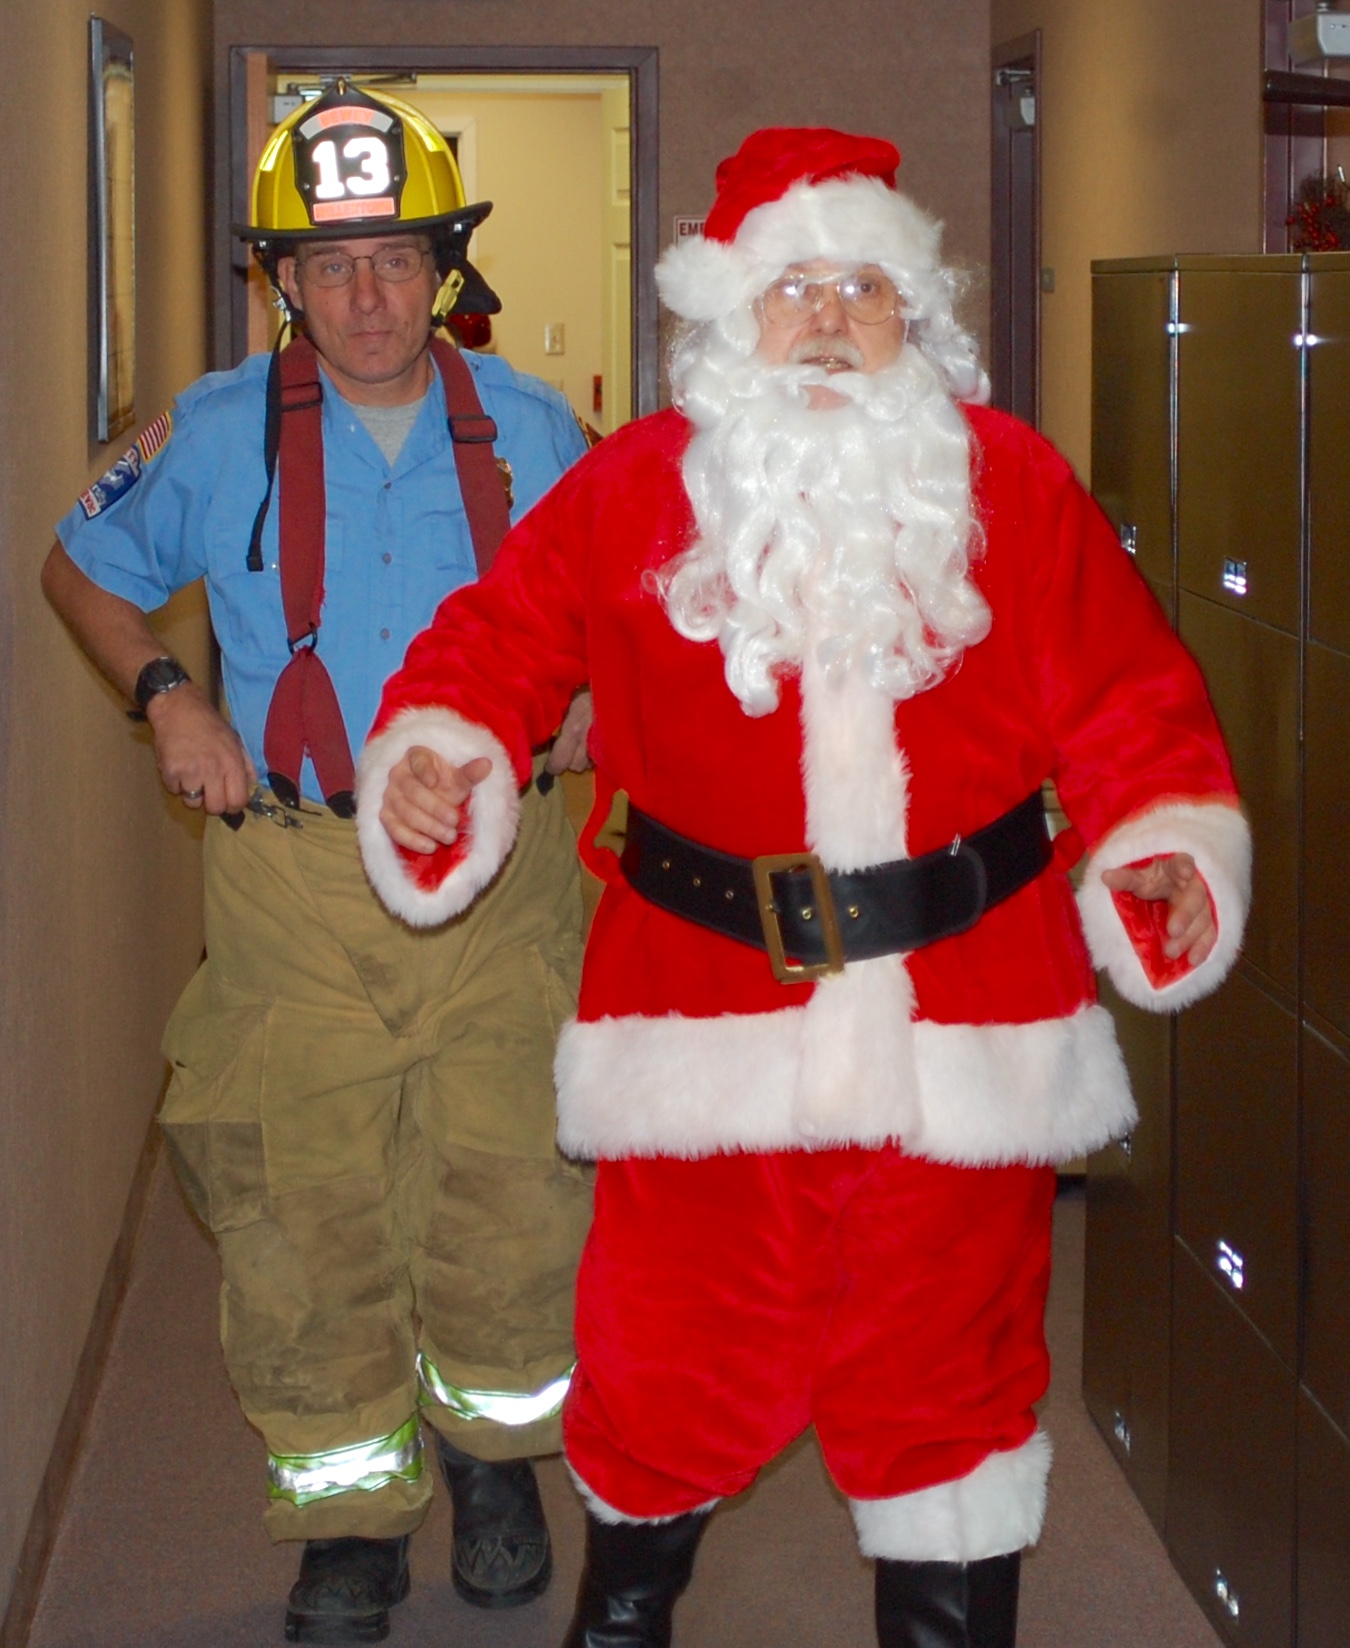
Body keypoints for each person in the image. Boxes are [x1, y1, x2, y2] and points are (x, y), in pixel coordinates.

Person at [357, 127, 1250, 1648]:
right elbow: (490, 648)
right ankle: (621, 1619)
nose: (828, 320)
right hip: (699, 1023)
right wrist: (438, 758)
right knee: (667, 1369)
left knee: (953, 1395)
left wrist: (1159, 852)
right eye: (791, 290)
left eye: (863, 288)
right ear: (726, 321)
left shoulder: (1013, 488)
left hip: (965, 1028)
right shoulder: (633, 487)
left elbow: (1129, 703)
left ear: (918, 319)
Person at [42, 79, 595, 1645]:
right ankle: (350, 1511)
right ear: (282, 281)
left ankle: (493, 1465)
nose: (367, 296)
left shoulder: (540, 433)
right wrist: (166, 699)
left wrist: (600, 698)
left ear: (445, 270)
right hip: (293, 885)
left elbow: (631, 602)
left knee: (512, 1194)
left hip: (504, 886)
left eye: (398, 259)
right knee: (303, 1209)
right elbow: (77, 572)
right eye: (330, 265)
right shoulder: (212, 435)